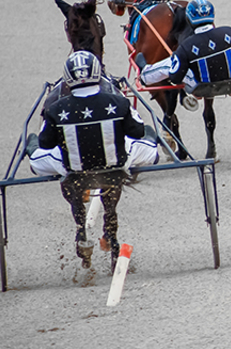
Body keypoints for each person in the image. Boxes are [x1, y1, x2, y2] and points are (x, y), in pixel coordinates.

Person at [26, 52, 159, 263]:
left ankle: (80, 228)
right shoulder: (120, 102)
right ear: (97, 73)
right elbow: (136, 131)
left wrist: (35, 143)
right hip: (115, 167)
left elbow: (47, 143)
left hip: (74, 170)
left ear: (68, 79)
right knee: (148, 144)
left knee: (37, 156)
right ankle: (111, 229)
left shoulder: (55, 109)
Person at [138, 0, 231, 94]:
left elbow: (175, 78)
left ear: (189, 19)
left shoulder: (186, 46)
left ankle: (145, 75)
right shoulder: (230, 32)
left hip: (200, 85)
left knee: (170, 64)